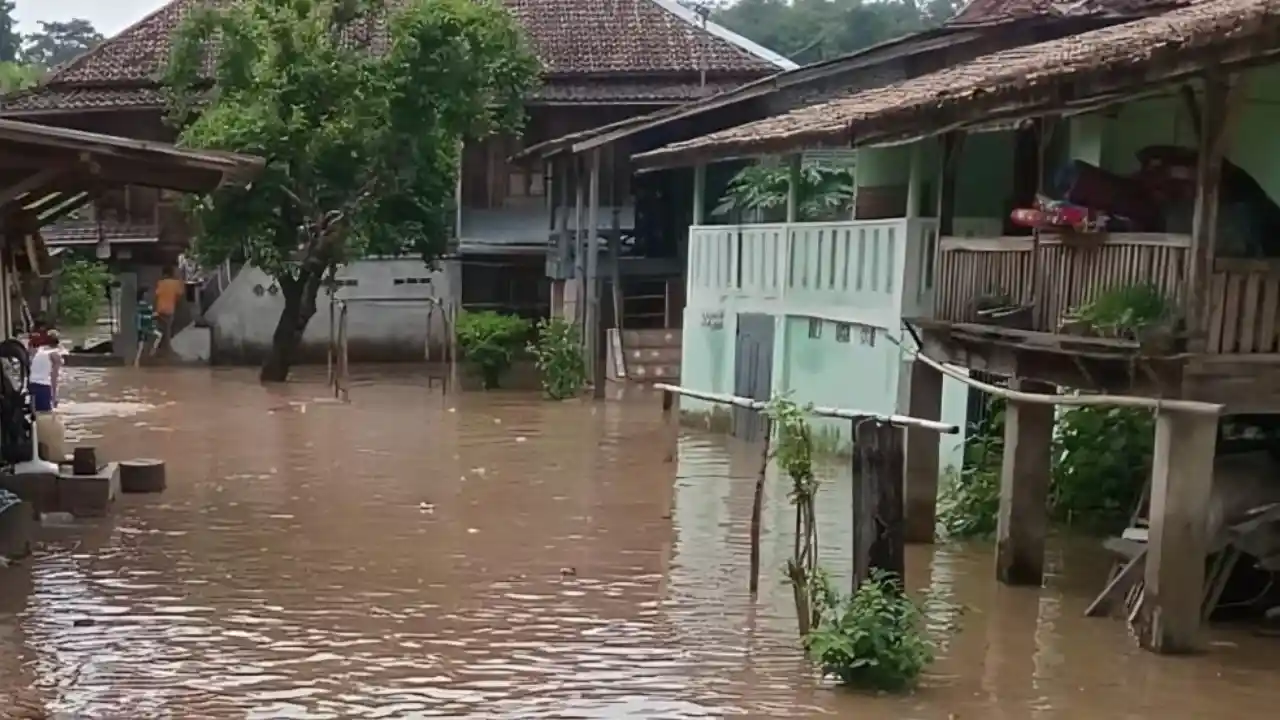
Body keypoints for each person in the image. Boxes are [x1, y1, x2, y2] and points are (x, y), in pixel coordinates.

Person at [28, 329, 61, 413]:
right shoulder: (55, 355)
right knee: (44, 415)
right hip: (43, 388)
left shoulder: (36, 351)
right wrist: (54, 397)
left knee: (34, 416)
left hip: (31, 386)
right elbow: (54, 377)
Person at [154, 266, 185, 355]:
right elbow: (180, 295)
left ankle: (159, 349)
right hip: (170, 309)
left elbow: (157, 295)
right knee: (168, 330)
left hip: (160, 309)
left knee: (161, 330)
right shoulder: (175, 283)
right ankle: (166, 350)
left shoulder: (160, 283)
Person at [135, 289, 159, 367]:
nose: (147, 296)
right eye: (146, 295)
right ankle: (153, 350)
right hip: (145, 327)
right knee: (159, 335)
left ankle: (137, 361)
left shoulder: (141, 306)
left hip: (144, 327)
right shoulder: (144, 306)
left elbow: (148, 315)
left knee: (141, 344)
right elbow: (148, 315)